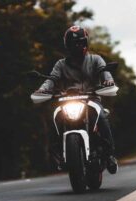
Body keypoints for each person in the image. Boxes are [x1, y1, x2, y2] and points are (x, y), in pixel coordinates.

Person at [33, 26, 118, 174]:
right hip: (67, 100)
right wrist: (43, 89)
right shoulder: (61, 64)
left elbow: (105, 72)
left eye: (80, 42)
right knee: (54, 118)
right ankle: (56, 154)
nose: (77, 46)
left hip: (91, 99)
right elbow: (51, 79)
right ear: (67, 46)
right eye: (73, 44)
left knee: (102, 117)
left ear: (86, 43)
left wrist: (108, 81)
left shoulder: (95, 59)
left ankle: (110, 154)